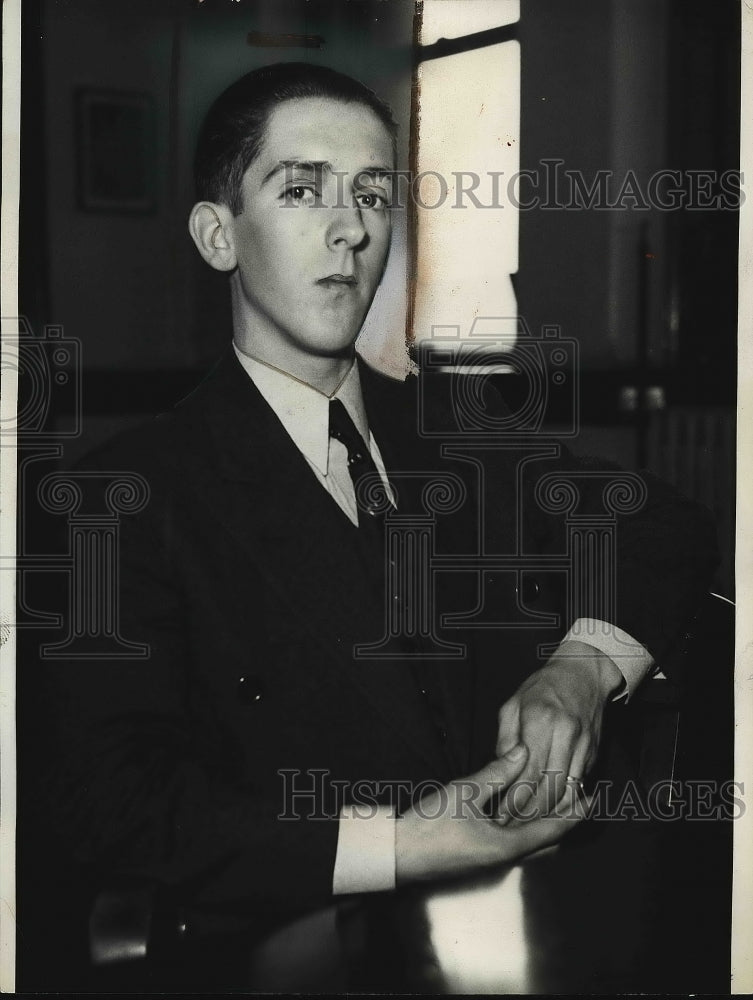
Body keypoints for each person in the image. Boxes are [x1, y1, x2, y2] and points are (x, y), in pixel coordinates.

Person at [47, 63, 717, 949]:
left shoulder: (457, 436)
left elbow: (663, 523)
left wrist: (580, 670)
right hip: (293, 944)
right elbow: (118, 801)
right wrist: (403, 846)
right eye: (301, 189)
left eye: (371, 193)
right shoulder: (123, 497)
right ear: (218, 235)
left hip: (529, 925)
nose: (349, 228)